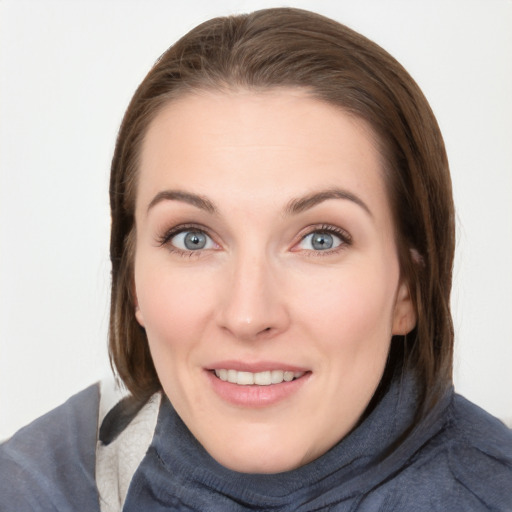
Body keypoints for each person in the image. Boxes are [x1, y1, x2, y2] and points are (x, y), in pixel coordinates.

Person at [1, 7, 511, 511]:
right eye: (193, 239)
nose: (248, 315)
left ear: (407, 290)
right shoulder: (30, 489)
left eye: (320, 240)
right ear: (133, 280)